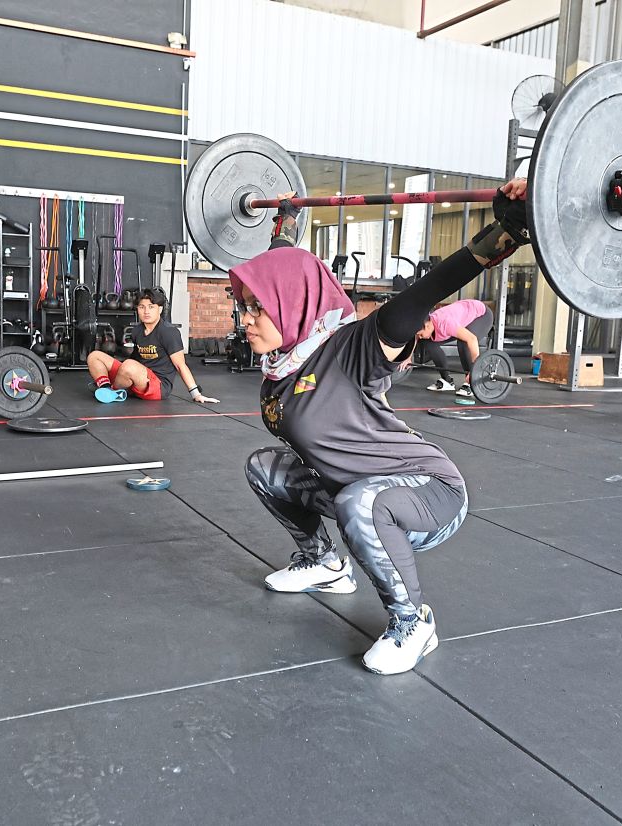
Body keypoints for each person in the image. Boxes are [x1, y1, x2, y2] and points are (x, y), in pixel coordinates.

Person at [233, 179, 529, 675]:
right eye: (243, 306)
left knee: (360, 503)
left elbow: (424, 294)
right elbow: (285, 264)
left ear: (290, 303)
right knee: (265, 468)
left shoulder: (351, 349)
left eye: (255, 307)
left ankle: (414, 624)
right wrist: (284, 221)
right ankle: (324, 564)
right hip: (354, 491)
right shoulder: (285, 364)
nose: (244, 320)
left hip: (427, 494)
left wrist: (505, 233)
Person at [86, 287, 220, 404]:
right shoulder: (137, 330)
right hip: (137, 377)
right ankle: (105, 388)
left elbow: (180, 365)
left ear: (160, 309)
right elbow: (135, 359)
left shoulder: (169, 332)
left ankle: (112, 391)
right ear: (137, 310)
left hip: (158, 386)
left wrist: (196, 394)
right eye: (142, 307)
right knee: (94, 356)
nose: (146, 311)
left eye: (151, 307)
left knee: (128, 365)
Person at [415, 298, 493, 397]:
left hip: (481, 315)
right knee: (429, 344)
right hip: (461, 316)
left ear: (427, 326)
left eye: (421, 334)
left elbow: (472, 339)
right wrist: (407, 357)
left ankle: (472, 383)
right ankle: (447, 381)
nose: (420, 337)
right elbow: (416, 337)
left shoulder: (445, 323)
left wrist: (474, 369)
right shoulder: (427, 324)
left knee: (464, 342)